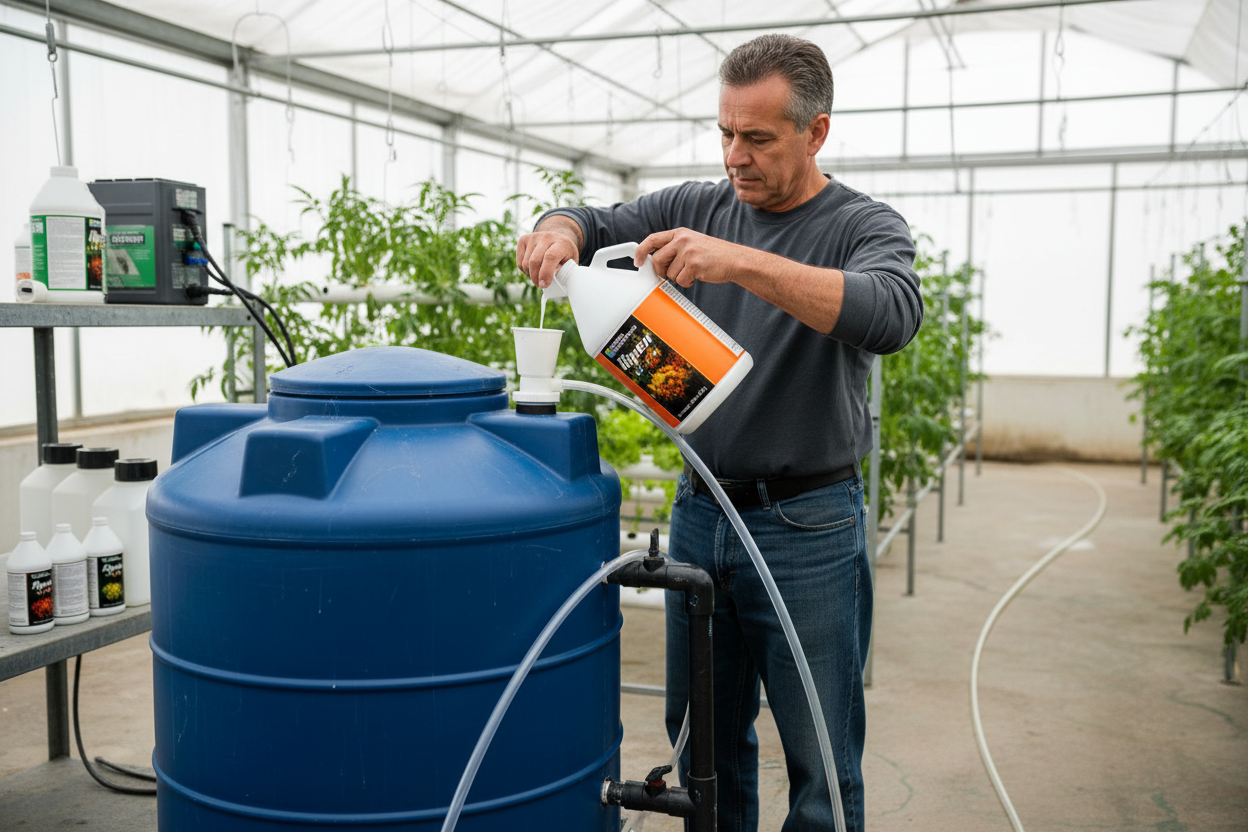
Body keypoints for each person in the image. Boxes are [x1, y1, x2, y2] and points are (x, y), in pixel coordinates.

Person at [516, 33, 922, 832]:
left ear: (816, 133)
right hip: (700, 513)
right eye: (726, 134)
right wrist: (559, 232)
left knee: (820, 761)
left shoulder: (860, 224)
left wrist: (739, 263)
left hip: (807, 523)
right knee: (703, 742)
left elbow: (892, 313)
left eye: (759, 138)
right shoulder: (695, 205)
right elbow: (590, 217)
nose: (737, 156)